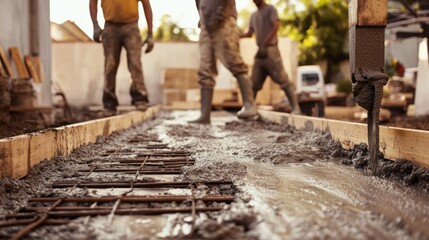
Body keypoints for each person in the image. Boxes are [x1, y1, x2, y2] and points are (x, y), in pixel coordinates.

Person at [191, 0, 258, 124]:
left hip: (223, 19)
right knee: (205, 68)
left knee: (234, 61)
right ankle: (204, 114)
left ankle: (249, 104)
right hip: (206, 23)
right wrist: (202, 17)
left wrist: (220, 11)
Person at [89, 0, 154, 114]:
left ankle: (140, 99)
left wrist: (150, 33)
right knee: (110, 64)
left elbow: (146, 5)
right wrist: (95, 24)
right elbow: (93, 1)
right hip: (110, 26)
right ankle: (109, 103)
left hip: (131, 26)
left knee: (135, 63)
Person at [241, 0, 301, 114]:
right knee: (254, 83)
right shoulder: (253, 16)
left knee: (283, 79)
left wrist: (265, 43)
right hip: (260, 52)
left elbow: (276, 26)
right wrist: (236, 35)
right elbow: (249, 33)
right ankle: (250, 108)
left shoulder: (271, 9)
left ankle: (295, 107)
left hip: (270, 49)